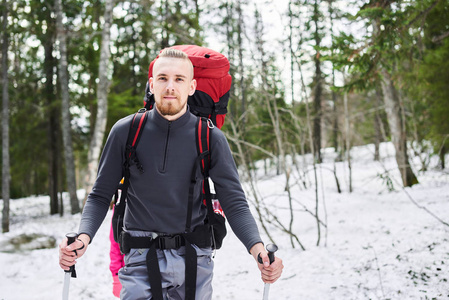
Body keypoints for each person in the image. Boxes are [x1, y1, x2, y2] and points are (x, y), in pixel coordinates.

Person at [59, 48, 283, 299]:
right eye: (163, 78)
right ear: (152, 84)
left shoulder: (210, 138)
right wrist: (83, 237)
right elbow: (100, 195)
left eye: (179, 79)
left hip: (194, 259)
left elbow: (234, 202)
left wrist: (258, 249)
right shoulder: (125, 132)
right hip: (139, 257)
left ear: (191, 86)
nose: (170, 87)